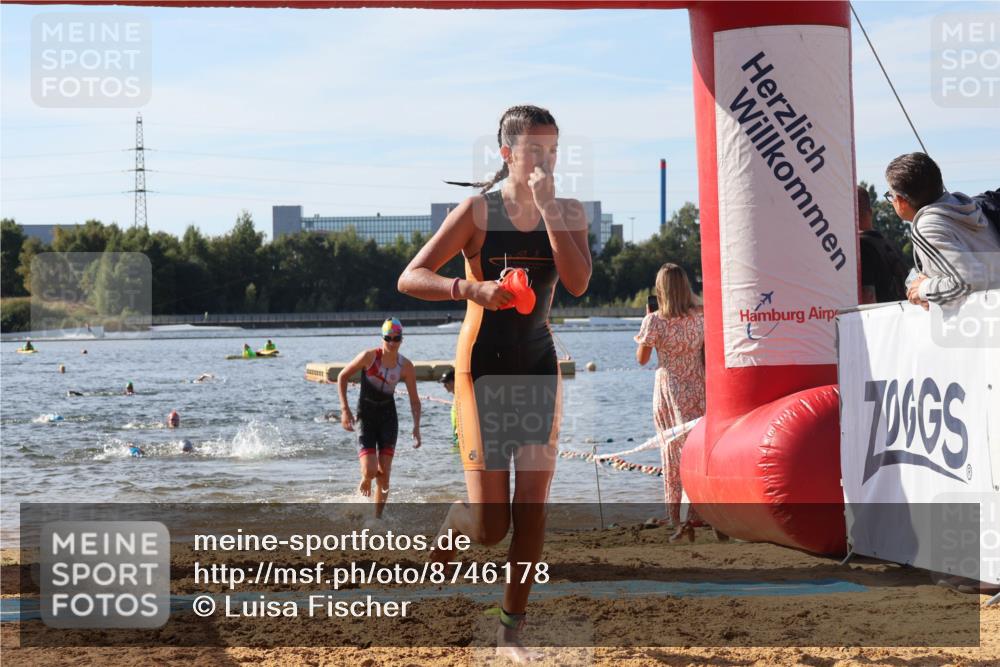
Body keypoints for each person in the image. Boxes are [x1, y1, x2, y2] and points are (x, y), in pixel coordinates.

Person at [397, 105, 591, 661]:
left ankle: (511, 629)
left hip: (536, 366)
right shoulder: (477, 212)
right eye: (533, 151)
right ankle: (455, 522)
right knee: (489, 528)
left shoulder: (569, 210)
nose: (544, 161)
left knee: (532, 508)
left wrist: (551, 206)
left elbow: (576, 283)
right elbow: (411, 276)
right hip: (480, 369)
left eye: (552, 152)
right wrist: (470, 290)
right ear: (506, 154)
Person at [635, 263, 706, 542]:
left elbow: (641, 359)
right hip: (699, 387)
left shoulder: (655, 321)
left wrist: (647, 322)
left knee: (672, 454)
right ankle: (701, 513)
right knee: (697, 451)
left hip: (669, 390)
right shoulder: (701, 316)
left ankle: (677, 518)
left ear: (660, 290)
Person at [884, 153, 1000, 308]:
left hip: (984, 321)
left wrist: (924, 289)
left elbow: (969, 281)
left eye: (890, 196)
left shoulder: (927, 226)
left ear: (901, 200)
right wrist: (933, 288)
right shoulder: (967, 207)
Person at [337, 318, 422, 519]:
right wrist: (345, 410)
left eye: (396, 338)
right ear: (382, 338)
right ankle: (365, 478)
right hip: (366, 416)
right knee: (370, 470)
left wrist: (416, 427)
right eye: (388, 338)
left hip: (388, 418)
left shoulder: (405, 366)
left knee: (384, 477)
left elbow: (415, 401)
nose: (392, 343)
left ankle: (377, 519)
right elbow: (342, 376)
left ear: (402, 339)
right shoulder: (369, 357)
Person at [857, 185, 908, 303]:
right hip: (902, 317)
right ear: (870, 211)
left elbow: (868, 301)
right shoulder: (891, 246)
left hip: (880, 320)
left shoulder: (861, 248)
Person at [439, 369, 459, 455]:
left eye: (446, 382)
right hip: (456, 439)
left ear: (454, 381)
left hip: (461, 440)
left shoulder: (461, 397)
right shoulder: (456, 397)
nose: (444, 386)